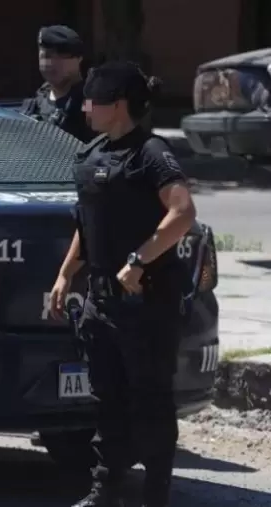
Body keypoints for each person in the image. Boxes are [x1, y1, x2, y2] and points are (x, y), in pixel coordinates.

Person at [48, 61, 197, 507]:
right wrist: (66, 272)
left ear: (117, 106)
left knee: (150, 402)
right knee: (108, 401)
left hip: (145, 304)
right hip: (101, 303)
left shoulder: (150, 153)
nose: (86, 107)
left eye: (93, 100)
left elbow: (183, 213)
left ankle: (155, 494)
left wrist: (138, 261)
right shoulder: (93, 154)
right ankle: (105, 491)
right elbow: (88, 223)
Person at [21, 25, 95, 143]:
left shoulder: (89, 101)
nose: (52, 64)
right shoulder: (39, 98)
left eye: (62, 57)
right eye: (46, 56)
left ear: (79, 58)